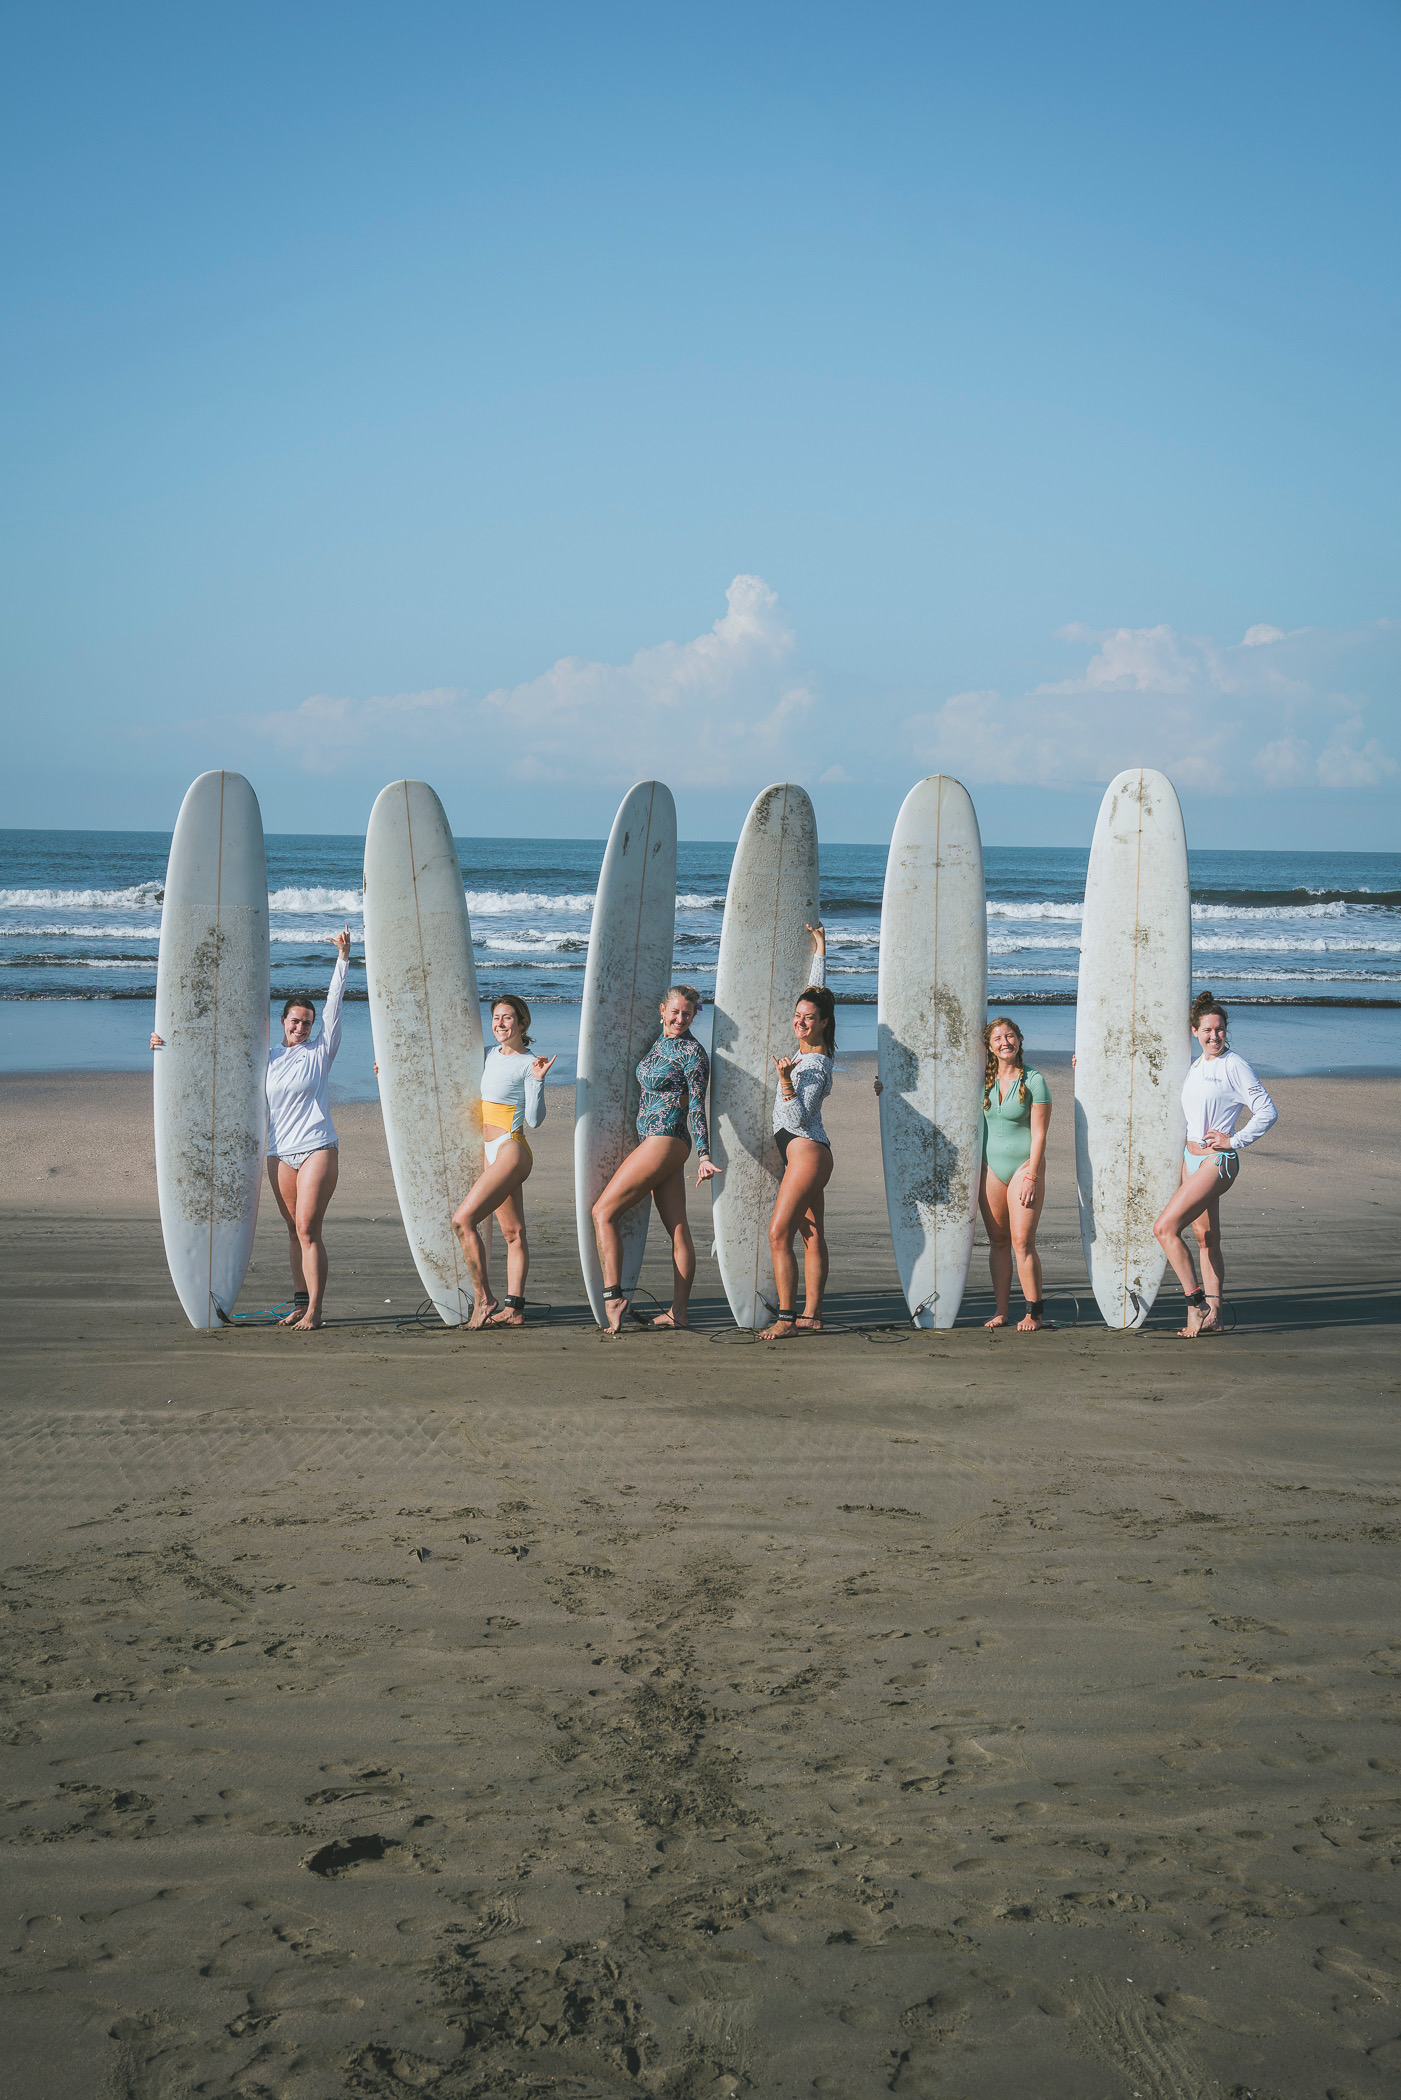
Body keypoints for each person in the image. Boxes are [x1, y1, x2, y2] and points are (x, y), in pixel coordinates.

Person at [154, 927, 352, 1330]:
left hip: (317, 1146)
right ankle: (300, 1302)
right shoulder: (267, 1057)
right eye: (295, 1021)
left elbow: (335, 1005)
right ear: (283, 1021)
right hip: (279, 1152)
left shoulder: (321, 1052)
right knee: (293, 1233)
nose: (301, 1028)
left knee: (308, 1228)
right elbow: (218, 1054)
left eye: (307, 1023)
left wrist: (343, 959)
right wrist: (167, 1044)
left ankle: (315, 1309)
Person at [592, 984, 717, 1336]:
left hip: (666, 1140)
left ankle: (613, 1297)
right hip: (657, 1140)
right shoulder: (660, 1042)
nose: (680, 1019)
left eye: (687, 1014)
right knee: (677, 1229)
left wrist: (704, 1155)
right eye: (675, 1012)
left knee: (602, 1213)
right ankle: (680, 1312)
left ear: (694, 1015)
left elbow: (696, 1107)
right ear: (662, 1010)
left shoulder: (693, 1054)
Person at [1153, 992, 1277, 1337]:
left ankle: (1197, 1305)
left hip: (1216, 1161)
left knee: (1164, 1229)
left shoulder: (1233, 1065)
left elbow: (1267, 1111)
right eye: (1207, 1030)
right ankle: (1216, 1315)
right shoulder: (1195, 1064)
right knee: (1206, 1238)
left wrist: (1233, 1140)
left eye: (1219, 1030)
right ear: (1195, 1031)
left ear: (1226, 1031)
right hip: (1191, 1157)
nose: (1214, 1036)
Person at [450, 996, 556, 1328]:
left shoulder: (529, 1062)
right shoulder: (489, 1055)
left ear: (522, 1024)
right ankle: (513, 1309)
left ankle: (484, 1300)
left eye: (507, 1018)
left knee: (462, 1221)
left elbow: (535, 1120)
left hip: (511, 1148)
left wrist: (538, 1080)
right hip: (489, 1148)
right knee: (513, 1233)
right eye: (496, 1017)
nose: (500, 1023)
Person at [760, 925, 834, 1340]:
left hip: (805, 1151)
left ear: (824, 1023)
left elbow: (799, 1115)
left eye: (809, 1019)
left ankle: (786, 1318)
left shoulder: (815, 1064)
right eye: (797, 1016)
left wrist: (785, 1080)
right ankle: (812, 1314)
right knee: (811, 1235)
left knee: (778, 1233)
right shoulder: (811, 1044)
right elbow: (816, 994)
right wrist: (820, 951)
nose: (800, 1022)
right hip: (809, 1153)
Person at [977, 1016, 1052, 1332]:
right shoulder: (982, 1079)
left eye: (1010, 1036)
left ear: (1019, 1040)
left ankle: (1033, 1312)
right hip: (991, 1168)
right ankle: (1002, 1310)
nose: (1005, 1042)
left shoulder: (1034, 1080)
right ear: (990, 1047)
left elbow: (1039, 1135)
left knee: (1022, 1241)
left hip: (1024, 1167)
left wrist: (1033, 1174)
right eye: (998, 1038)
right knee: (998, 1241)